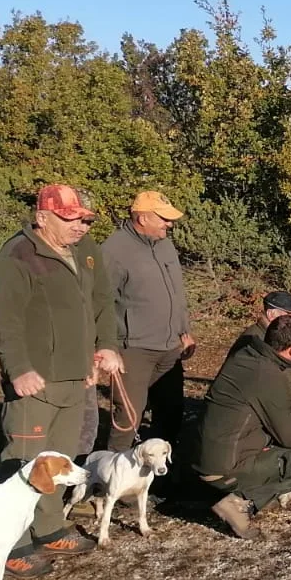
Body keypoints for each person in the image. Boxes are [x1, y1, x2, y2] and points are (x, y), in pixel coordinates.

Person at [0, 183, 123, 572]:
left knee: (58, 461)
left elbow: (101, 303)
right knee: (23, 460)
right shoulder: (17, 256)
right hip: (35, 379)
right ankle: (11, 543)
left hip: (75, 376)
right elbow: (5, 319)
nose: (80, 227)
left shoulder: (88, 251)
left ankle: (49, 528)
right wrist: (18, 368)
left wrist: (107, 346)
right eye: (71, 219)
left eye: (85, 220)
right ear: (42, 216)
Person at [194, 315, 291, 539]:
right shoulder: (270, 376)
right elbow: (289, 437)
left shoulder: (247, 356)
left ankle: (246, 491)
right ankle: (241, 501)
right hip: (226, 468)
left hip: (206, 455)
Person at [101, 190, 194, 457]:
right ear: (142, 217)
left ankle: (160, 472)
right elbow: (101, 302)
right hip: (134, 349)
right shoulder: (113, 251)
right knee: (129, 415)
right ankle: (112, 473)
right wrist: (107, 346)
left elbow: (176, 292)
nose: (169, 224)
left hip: (170, 347)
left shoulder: (164, 244)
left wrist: (184, 330)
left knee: (171, 411)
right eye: (163, 218)